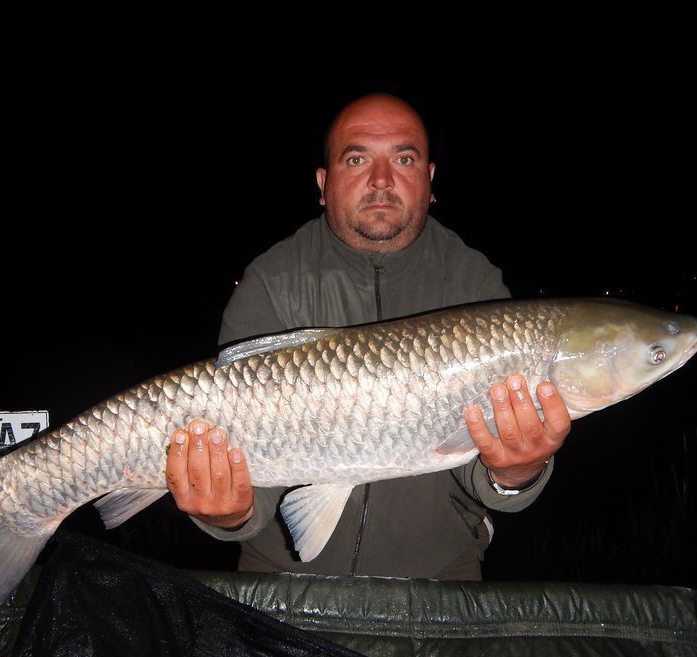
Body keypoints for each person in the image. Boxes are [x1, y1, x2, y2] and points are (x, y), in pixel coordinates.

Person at [164, 93, 571, 579]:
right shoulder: (272, 281)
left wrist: (513, 474)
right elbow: (255, 460)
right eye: (357, 159)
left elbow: (473, 461)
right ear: (324, 183)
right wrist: (231, 515)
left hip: (441, 576)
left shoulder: (473, 284)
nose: (381, 180)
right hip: (279, 579)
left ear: (430, 180)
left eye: (403, 159)